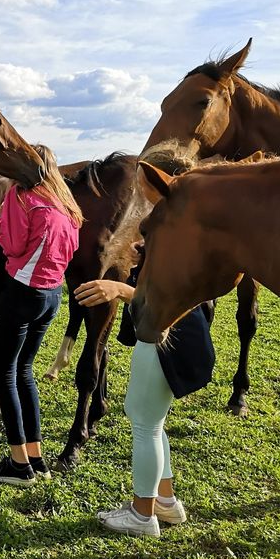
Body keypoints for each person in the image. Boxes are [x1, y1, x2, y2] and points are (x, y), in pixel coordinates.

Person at [74, 146, 214, 537]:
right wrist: (146, 255)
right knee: (153, 421)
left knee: (144, 422)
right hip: (178, 334)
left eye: (141, 183)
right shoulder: (185, 222)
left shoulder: (181, 226)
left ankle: (141, 514)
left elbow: (175, 292)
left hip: (168, 334)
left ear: (157, 180)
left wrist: (118, 287)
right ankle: (166, 503)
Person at [0, 145, 82, 486]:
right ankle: (36, 458)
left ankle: (18, 464)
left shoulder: (22, 197)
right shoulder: (66, 204)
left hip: (22, 292)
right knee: (25, 371)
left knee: (5, 373)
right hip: (52, 295)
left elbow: (10, 244)